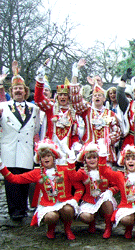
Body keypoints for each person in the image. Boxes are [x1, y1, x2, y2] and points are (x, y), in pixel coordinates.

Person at [0, 139, 83, 240]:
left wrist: (75, 200)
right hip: (48, 204)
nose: (46, 159)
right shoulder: (37, 173)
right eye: (43, 157)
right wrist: (2, 167)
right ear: (40, 160)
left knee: (68, 210)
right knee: (51, 217)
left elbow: (79, 188)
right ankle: (51, 229)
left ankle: (67, 229)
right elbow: (14, 179)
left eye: (48, 156)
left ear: (54, 157)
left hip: (64, 202)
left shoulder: (64, 170)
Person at [0, 64, 41, 222]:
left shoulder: (34, 109)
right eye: (15, 88)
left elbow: (36, 128)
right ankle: (14, 211)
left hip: (25, 147)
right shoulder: (3, 107)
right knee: (11, 181)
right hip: (9, 147)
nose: (18, 91)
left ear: (25, 91)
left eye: (21, 89)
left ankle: (23, 208)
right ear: (12, 91)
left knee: (24, 179)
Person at [69, 142, 118, 239]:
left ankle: (108, 227)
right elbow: (73, 177)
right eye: (89, 158)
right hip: (89, 200)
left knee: (106, 201)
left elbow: (116, 185)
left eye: (94, 157)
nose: (92, 160)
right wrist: (71, 162)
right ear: (85, 160)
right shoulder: (82, 172)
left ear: (98, 158)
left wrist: (110, 191)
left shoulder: (106, 169)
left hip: (104, 199)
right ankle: (92, 222)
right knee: (85, 216)